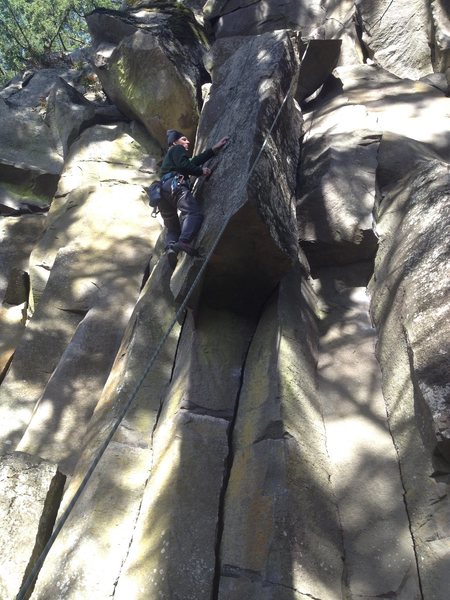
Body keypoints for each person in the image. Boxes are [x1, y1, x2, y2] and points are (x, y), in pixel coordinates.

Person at [159, 129, 229, 268]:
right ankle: (183, 241)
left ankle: (171, 248)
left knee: (172, 228)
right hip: (175, 185)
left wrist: (212, 150)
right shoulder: (177, 149)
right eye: (184, 139)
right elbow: (184, 166)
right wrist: (200, 171)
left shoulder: (170, 157)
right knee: (193, 213)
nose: (188, 142)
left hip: (161, 193)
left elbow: (192, 161)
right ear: (175, 142)